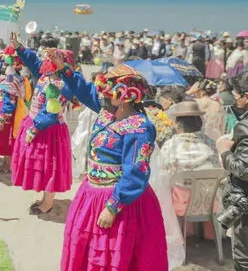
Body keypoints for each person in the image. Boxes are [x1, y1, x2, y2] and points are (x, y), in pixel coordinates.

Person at [58, 63, 168, 270]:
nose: (104, 95)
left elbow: (137, 171)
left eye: (109, 91)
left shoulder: (139, 127)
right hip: (91, 195)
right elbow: (84, 90)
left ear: (125, 95)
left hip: (120, 203)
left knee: (112, 255)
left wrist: (113, 207)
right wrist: (64, 70)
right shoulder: (108, 114)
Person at [13, 37, 74, 215]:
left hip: (49, 131)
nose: (47, 63)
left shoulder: (63, 84)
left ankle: (48, 203)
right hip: (38, 126)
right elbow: (34, 62)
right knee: (43, 166)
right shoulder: (46, 77)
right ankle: (45, 199)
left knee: (50, 167)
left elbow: (52, 112)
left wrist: (35, 127)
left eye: (52, 60)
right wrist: (20, 48)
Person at [160, 100, 220, 215]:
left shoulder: (171, 145)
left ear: (178, 124)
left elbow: (163, 174)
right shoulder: (210, 143)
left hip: (181, 204)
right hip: (209, 203)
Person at [0, 43, 31, 173]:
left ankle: (8, 165)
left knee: (7, 139)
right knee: (4, 139)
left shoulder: (11, 80)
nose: (1, 64)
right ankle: (5, 163)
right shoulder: (9, 76)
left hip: (7, 113)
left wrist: (2, 119)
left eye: (4, 62)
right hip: (3, 111)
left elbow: (10, 102)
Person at [216, 71, 248, 269]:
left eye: (237, 96)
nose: (235, 100)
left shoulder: (244, 126)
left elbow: (243, 170)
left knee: (244, 257)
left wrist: (225, 152)